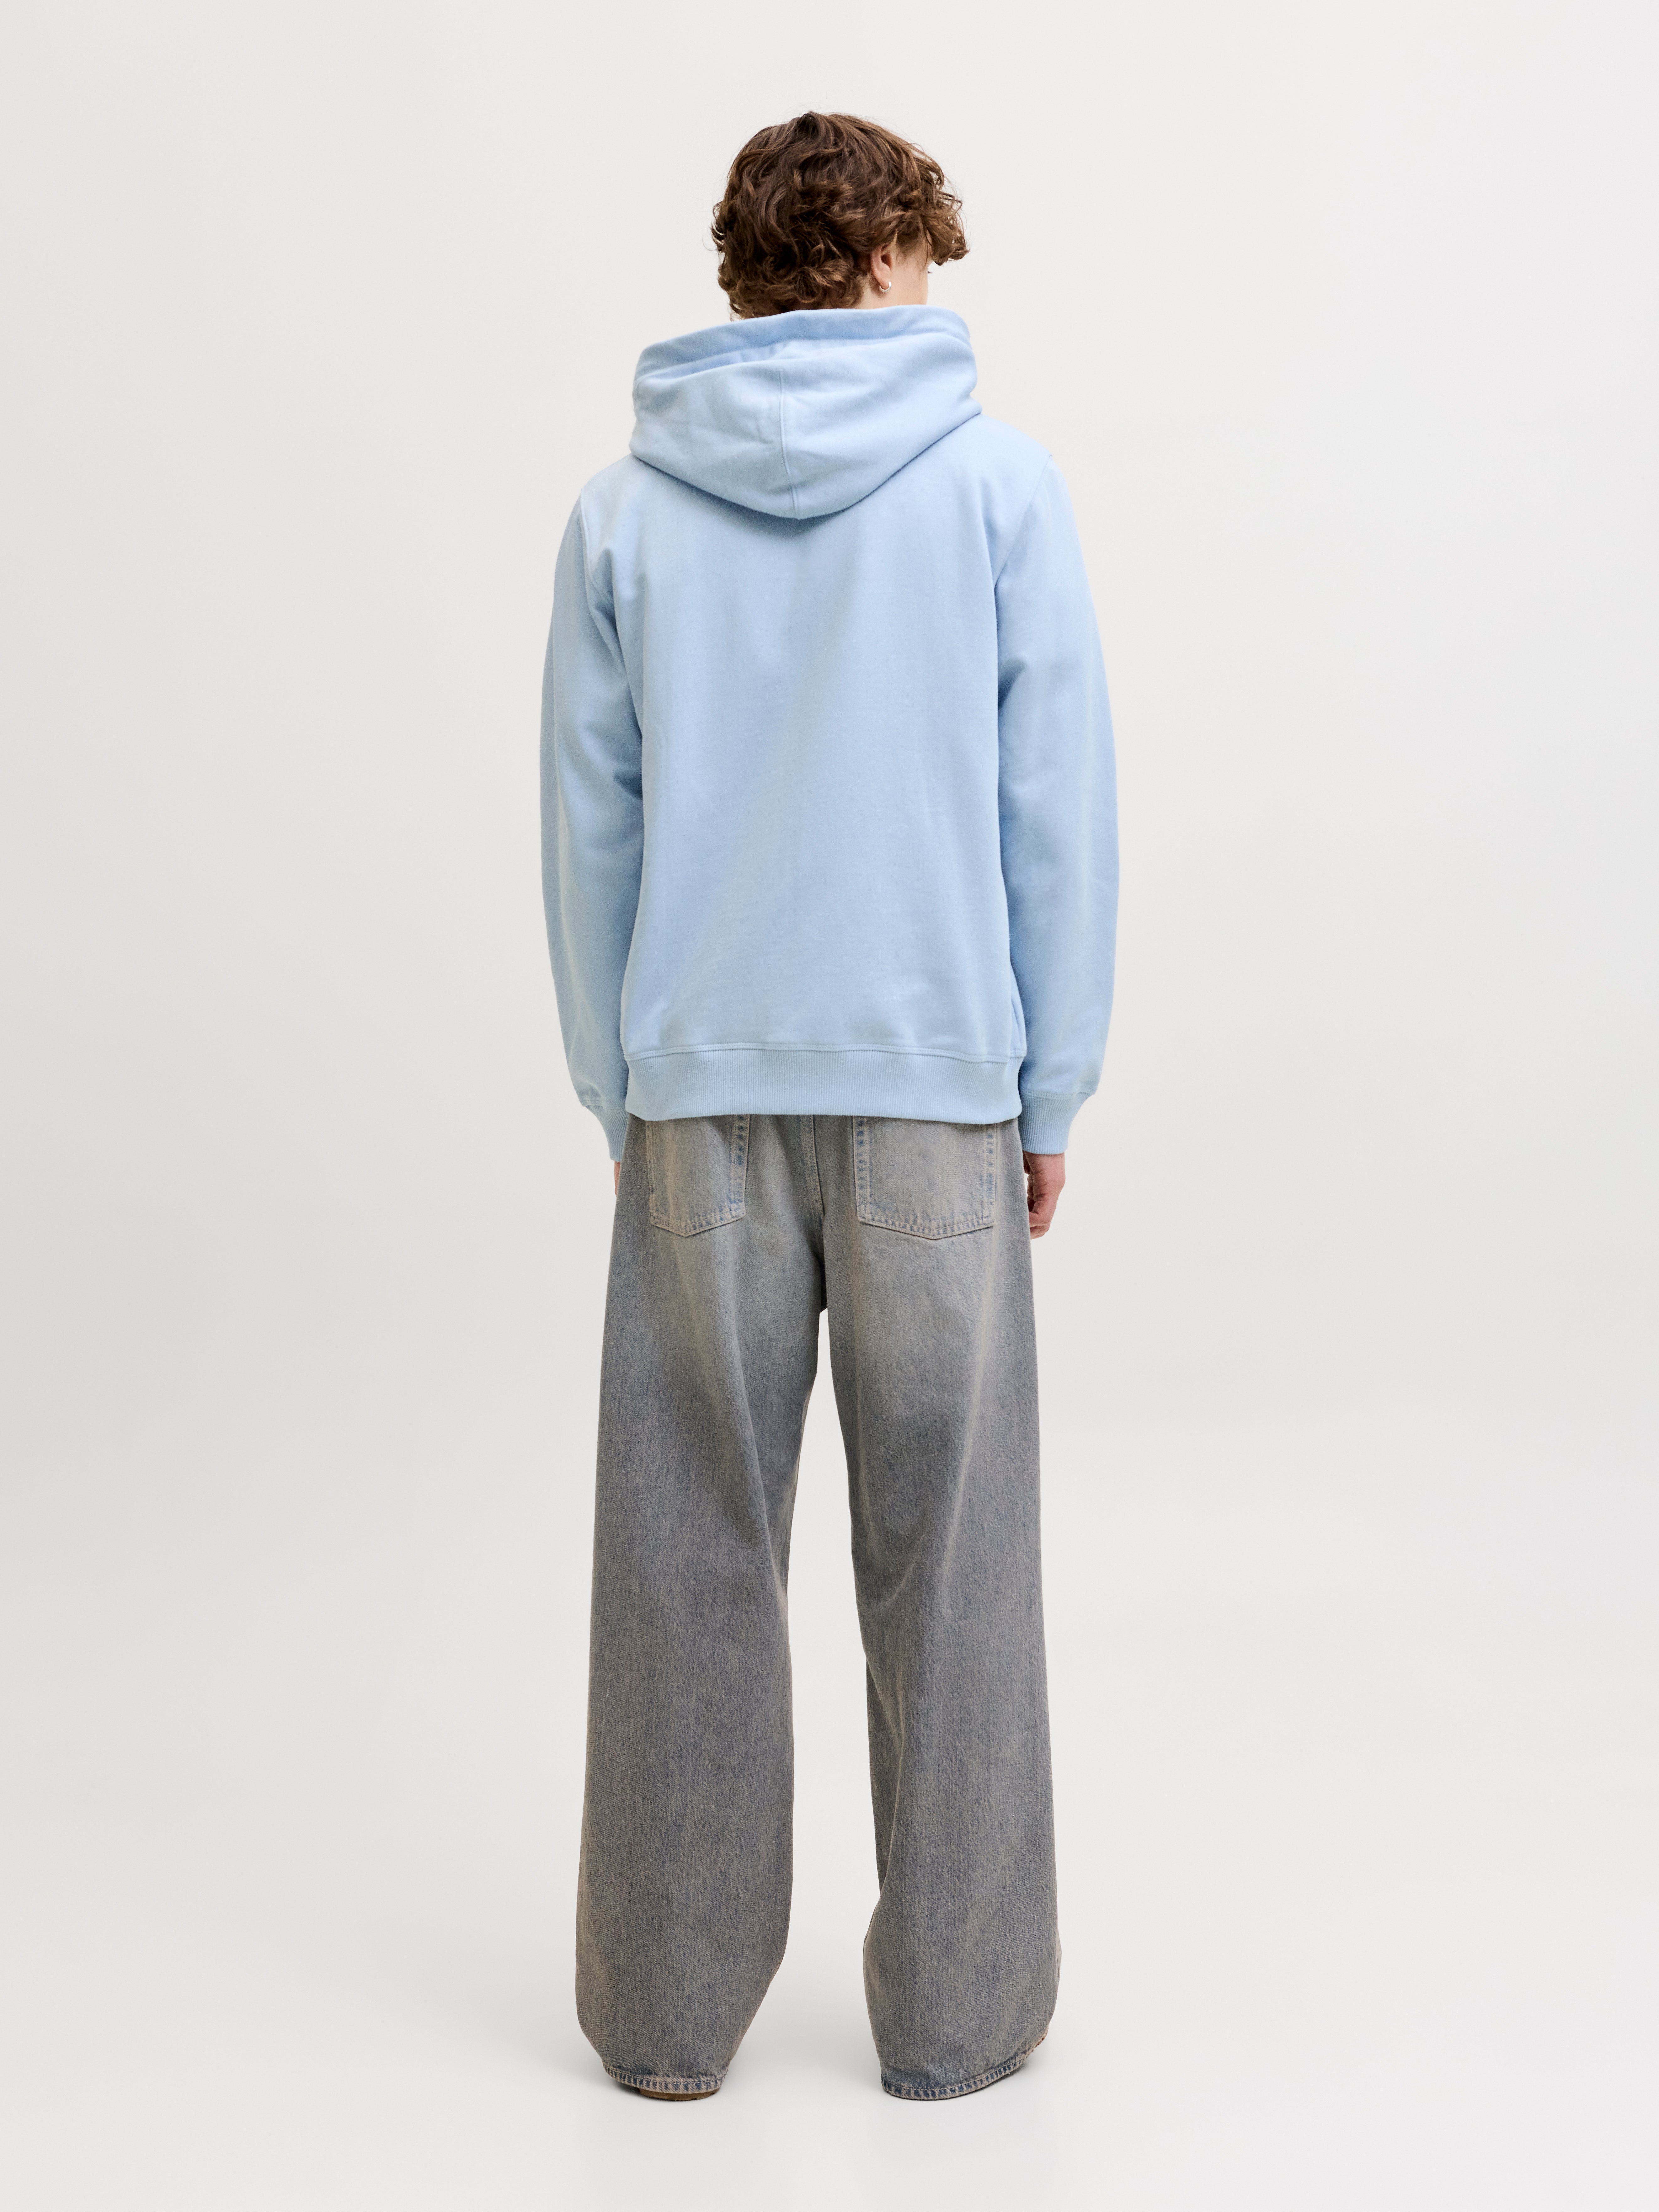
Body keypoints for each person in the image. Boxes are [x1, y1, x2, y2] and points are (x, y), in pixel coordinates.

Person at [541, 110, 1118, 2103]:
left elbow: (589, 836)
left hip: (696, 1097)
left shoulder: (621, 514)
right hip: (935, 1094)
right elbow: (1053, 809)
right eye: (924, 251)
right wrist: (1050, 1082)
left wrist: (624, 1091)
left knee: (681, 1549)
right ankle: (958, 2023)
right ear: (884, 257)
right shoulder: (997, 489)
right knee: (951, 1561)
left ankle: (661, 2022)